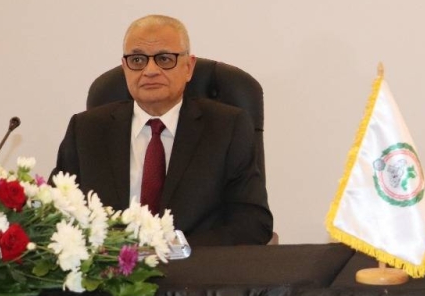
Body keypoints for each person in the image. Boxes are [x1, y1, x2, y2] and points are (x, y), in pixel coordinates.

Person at [54, 14, 273, 245]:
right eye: (137, 60)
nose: (150, 70)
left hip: (195, 264)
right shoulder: (86, 130)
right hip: (111, 265)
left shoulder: (227, 127)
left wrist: (177, 250)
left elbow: (253, 223)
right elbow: (56, 212)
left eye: (165, 59)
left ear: (188, 67)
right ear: (125, 67)